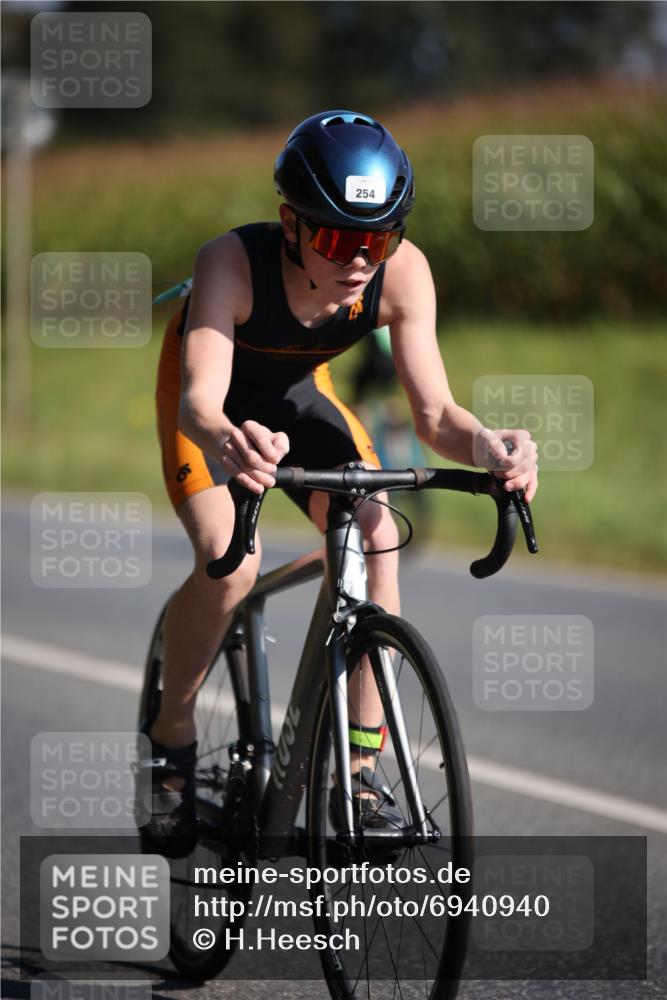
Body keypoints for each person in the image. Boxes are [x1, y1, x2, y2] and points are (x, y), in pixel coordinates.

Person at [140, 110, 538, 857]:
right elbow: (200, 401)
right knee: (231, 564)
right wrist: (233, 442)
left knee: (377, 533)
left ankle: (357, 770)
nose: (360, 259)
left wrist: (488, 446)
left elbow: (435, 415)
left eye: (377, 240)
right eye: (336, 238)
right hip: (215, 407)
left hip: (296, 395)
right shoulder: (230, 261)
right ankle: (171, 739)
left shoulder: (403, 272)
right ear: (289, 225)